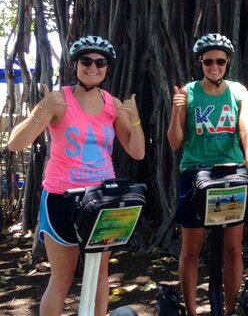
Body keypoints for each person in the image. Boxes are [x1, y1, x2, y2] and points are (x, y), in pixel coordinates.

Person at [7, 35, 146, 316]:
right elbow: (15, 144)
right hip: (61, 198)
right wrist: (42, 109)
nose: (93, 67)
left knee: (99, 274)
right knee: (62, 279)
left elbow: (137, 151)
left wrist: (134, 118)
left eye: (100, 62)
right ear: (75, 64)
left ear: (107, 68)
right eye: (86, 60)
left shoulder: (112, 104)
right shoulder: (58, 101)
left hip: (102, 199)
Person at [167, 33, 248, 316]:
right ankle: (192, 311)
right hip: (195, 174)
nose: (214, 66)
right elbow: (175, 142)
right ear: (201, 63)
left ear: (227, 62)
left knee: (233, 249)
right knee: (191, 249)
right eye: (209, 61)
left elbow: (245, 127)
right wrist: (176, 111)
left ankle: (230, 310)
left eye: (220, 61)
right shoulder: (189, 91)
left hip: (231, 173)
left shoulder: (238, 91)